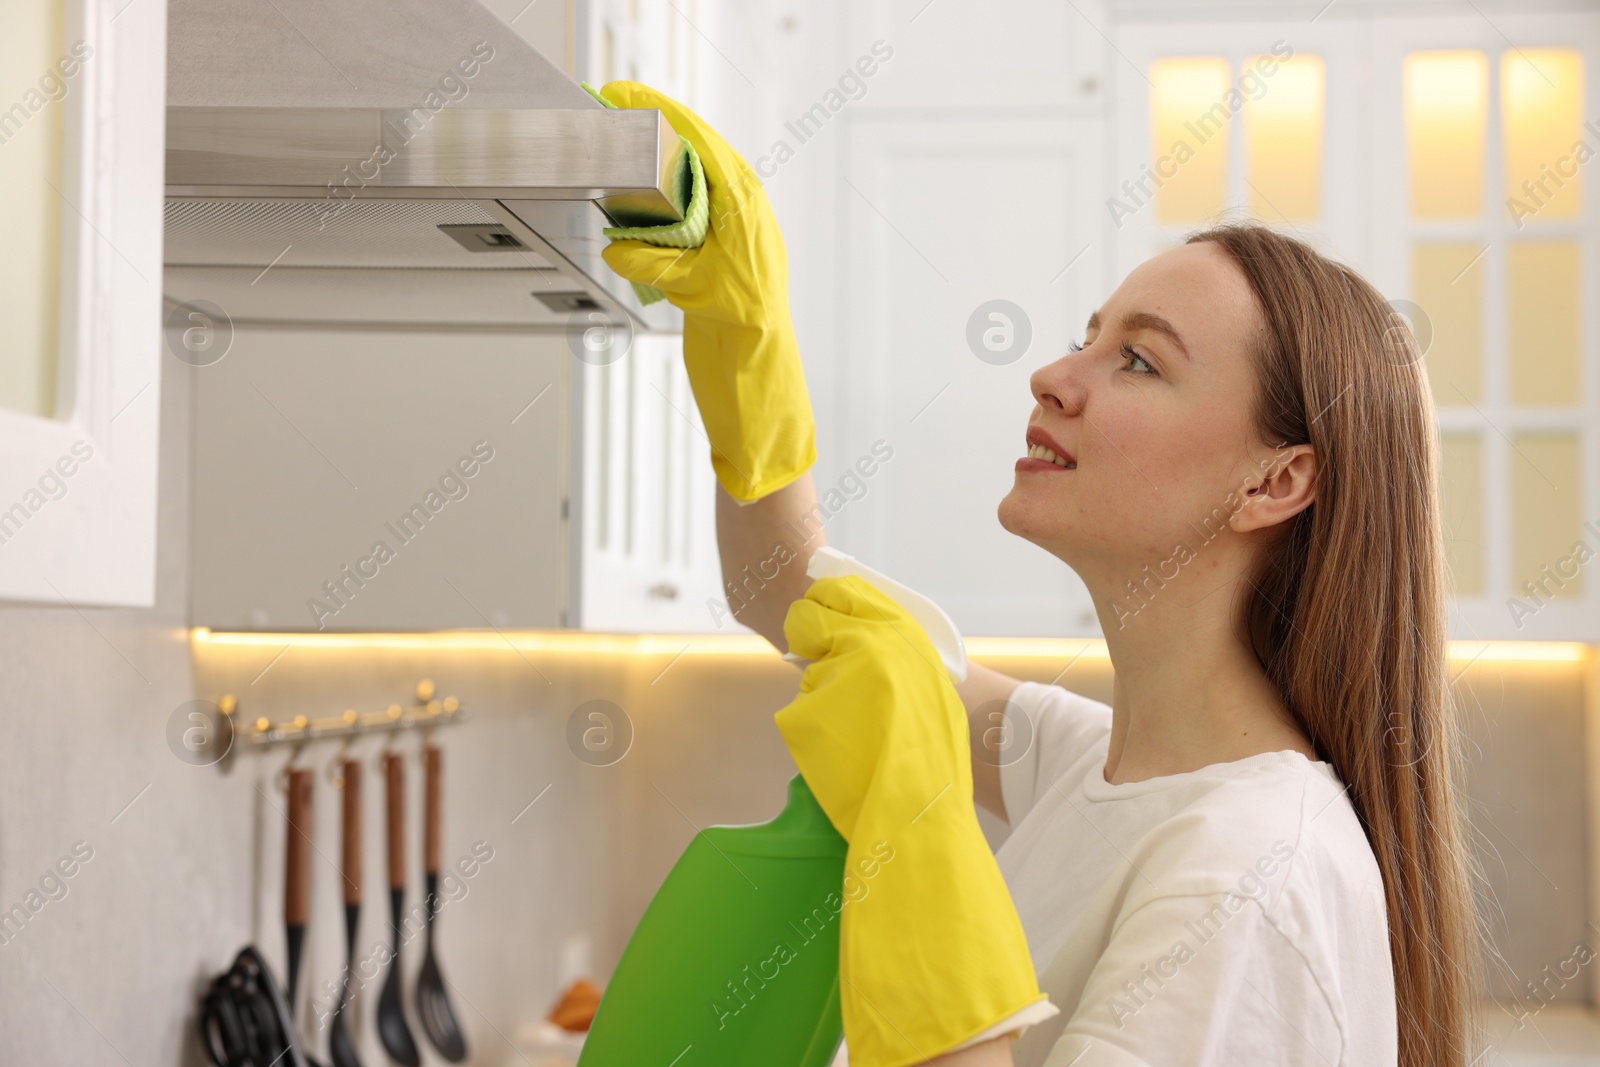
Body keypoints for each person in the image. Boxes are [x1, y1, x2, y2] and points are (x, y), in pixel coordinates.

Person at [599, 81, 1482, 1067]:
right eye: (1085, 337)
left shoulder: (1245, 874)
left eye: (1138, 361)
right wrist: (742, 321)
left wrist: (918, 833)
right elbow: (781, 586)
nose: (1053, 376)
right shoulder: (1096, 768)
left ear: (1275, 479)